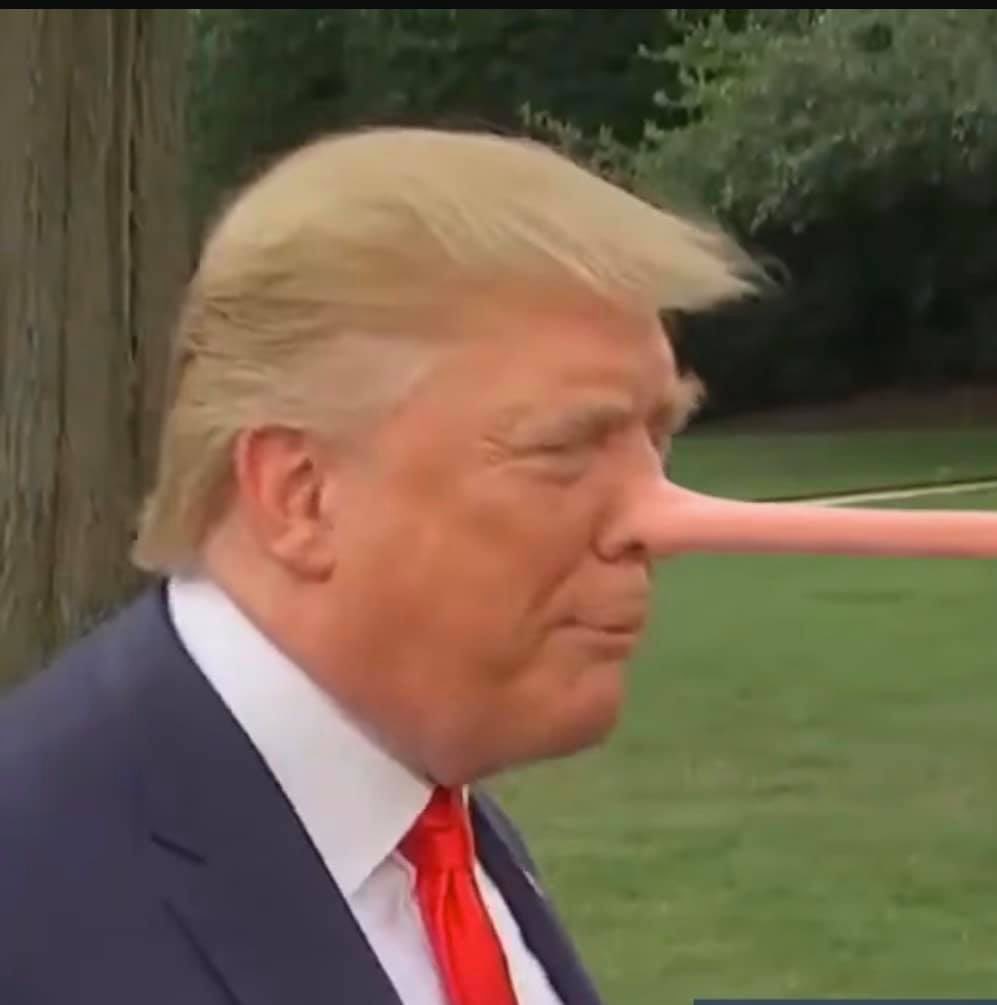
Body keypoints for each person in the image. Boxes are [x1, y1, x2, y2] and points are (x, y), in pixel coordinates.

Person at [0, 126, 760, 1005]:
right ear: (302, 496)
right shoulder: (33, 894)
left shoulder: (422, 811)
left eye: (657, 437)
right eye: (566, 448)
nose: (657, 521)